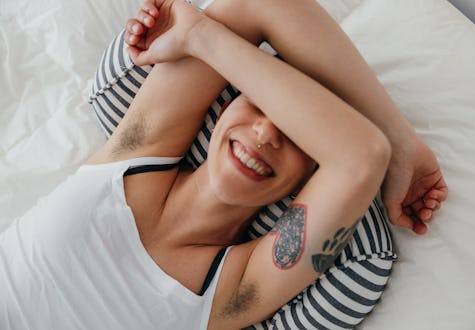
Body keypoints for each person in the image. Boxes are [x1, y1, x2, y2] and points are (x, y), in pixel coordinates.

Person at [0, 0, 447, 329]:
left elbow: (363, 155)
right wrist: (199, 37)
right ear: (225, 105)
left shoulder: (236, 292)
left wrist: (400, 146)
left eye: (299, 140)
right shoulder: (134, 151)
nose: (267, 134)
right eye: (255, 105)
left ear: (313, 178)